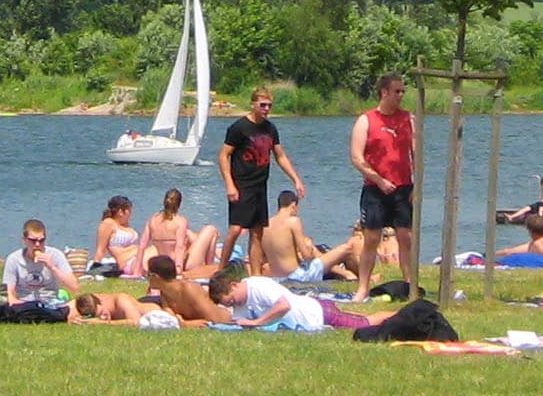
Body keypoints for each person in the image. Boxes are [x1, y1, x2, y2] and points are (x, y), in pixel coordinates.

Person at [348, 72, 418, 303]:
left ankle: (410, 285)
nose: (400, 96)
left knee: (405, 237)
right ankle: (363, 288)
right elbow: (357, 158)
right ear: (384, 92)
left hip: (403, 187)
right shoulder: (367, 120)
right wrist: (378, 179)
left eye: (402, 91)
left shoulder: (409, 119)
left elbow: (416, 153)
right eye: (396, 91)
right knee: (371, 238)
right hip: (375, 188)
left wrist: (417, 185)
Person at [218, 88, 305, 270]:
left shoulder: (270, 128)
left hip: (260, 186)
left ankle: (256, 275)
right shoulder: (239, 128)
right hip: (242, 184)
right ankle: (221, 270)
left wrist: (296, 179)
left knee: (257, 232)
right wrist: (229, 184)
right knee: (235, 229)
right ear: (253, 104)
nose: (266, 109)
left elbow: (280, 156)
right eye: (262, 105)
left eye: (269, 106)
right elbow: (223, 155)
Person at [209, 268, 370, 331]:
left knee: (365, 323)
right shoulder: (241, 303)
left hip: (316, 313)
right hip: (316, 310)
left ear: (234, 285)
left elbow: (283, 306)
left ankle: (393, 318)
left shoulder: (258, 286)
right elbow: (240, 323)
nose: (234, 304)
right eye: (228, 305)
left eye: (231, 300)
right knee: (358, 317)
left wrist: (256, 322)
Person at [137, 188, 221, 278]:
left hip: (164, 264)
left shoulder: (152, 220)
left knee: (188, 233)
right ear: (179, 204)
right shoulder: (180, 221)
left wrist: (137, 270)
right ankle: (208, 265)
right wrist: (178, 269)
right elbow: (179, 247)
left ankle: (207, 264)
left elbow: (142, 245)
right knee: (211, 229)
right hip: (181, 264)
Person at [2, 220, 78, 320]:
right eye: (33, 241)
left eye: (41, 240)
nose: (37, 245)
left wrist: (52, 267)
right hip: (24, 303)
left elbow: (74, 286)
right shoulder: (14, 259)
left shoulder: (56, 255)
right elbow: (9, 291)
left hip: (50, 302)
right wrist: (13, 301)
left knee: (79, 304)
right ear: (24, 240)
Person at [146, 254, 228, 324]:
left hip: (226, 317)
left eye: (148, 275)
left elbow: (214, 319)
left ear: (155, 276)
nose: (147, 278)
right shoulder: (165, 293)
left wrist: (185, 323)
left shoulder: (189, 289)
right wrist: (184, 323)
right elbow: (171, 317)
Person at [92, 195, 143, 276]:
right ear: (120, 212)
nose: (131, 213)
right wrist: (95, 265)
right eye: (129, 210)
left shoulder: (126, 224)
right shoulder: (108, 223)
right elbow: (100, 249)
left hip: (136, 257)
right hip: (126, 261)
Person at [71, 291, 161, 322]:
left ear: (101, 301)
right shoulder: (94, 305)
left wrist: (99, 322)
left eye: (102, 313)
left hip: (158, 308)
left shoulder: (121, 299)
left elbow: (136, 322)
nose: (103, 317)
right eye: (98, 317)